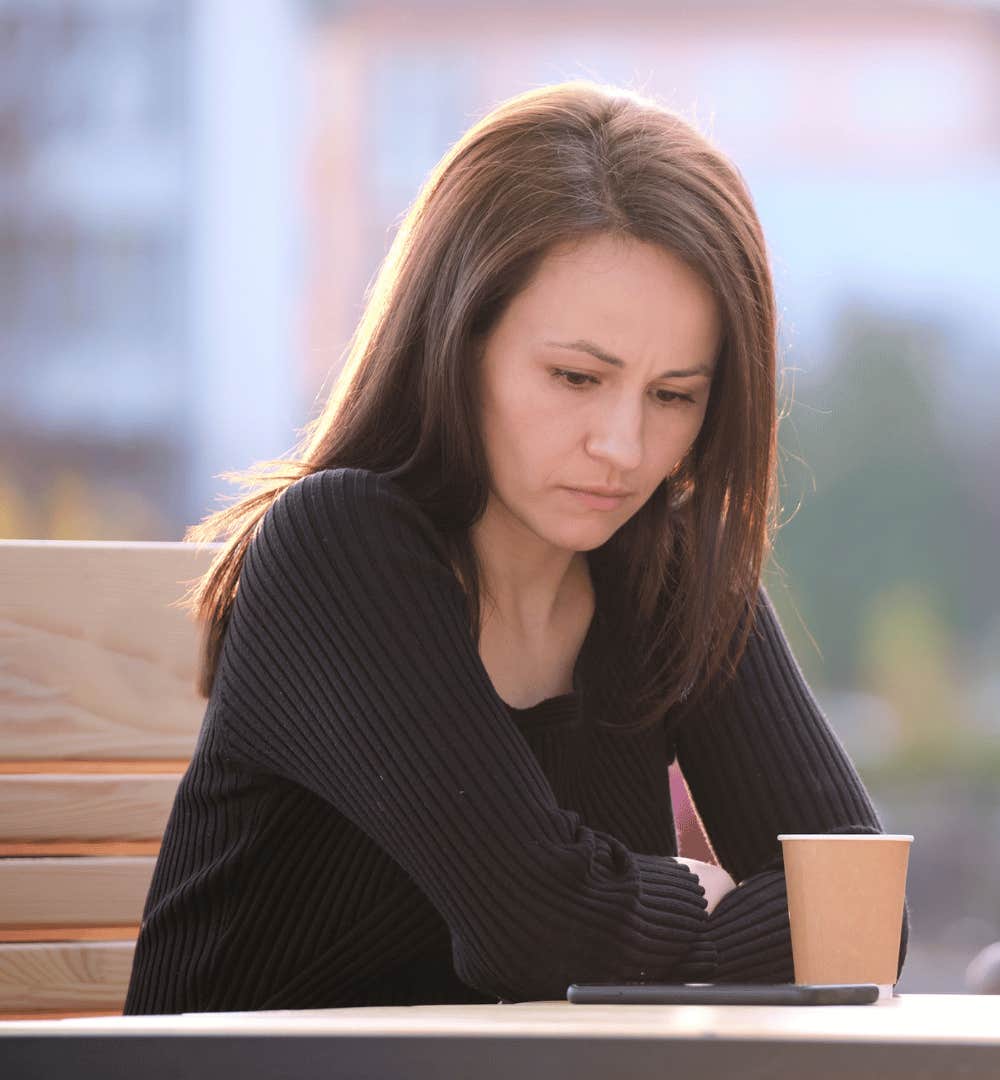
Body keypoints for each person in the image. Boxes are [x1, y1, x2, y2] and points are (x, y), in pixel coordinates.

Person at [126, 82, 895, 1013]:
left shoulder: (669, 572)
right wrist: (704, 895)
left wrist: (627, 919)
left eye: (673, 395)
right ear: (457, 342)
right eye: (576, 376)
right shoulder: (338, 549)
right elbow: (536, 932)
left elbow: (863, 912)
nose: (623, 446)